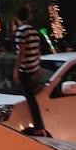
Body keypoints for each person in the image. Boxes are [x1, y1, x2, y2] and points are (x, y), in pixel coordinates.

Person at [13, 7, 48, 136]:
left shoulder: (21, 31)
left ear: (18, 17)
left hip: (25, 69)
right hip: (33, 67)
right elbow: (37, 50)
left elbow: (21, 51)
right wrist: (37, 66)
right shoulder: (34, 31)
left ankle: (39, 126)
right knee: (32, 95)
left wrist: (16, 70)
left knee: (30, 98)